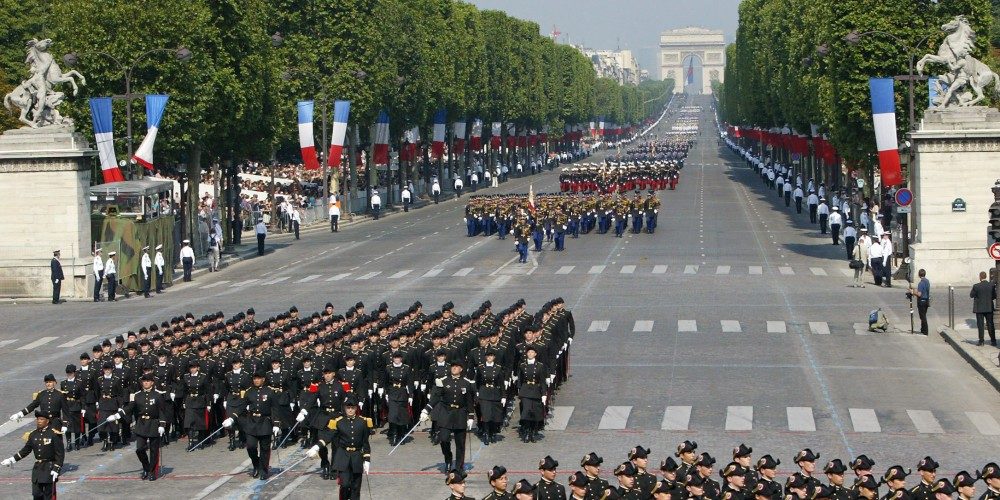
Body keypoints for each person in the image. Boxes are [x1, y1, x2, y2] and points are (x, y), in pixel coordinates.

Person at [309, 395, 371, 500]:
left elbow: (365, 443)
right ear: (344, 408)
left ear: (356, 408)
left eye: (352, 408)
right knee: (345, 484)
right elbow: (328, 436)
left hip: (356, 457)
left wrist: (367, 459)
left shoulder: (363, 422)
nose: (350, 410)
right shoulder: (338, 422)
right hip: (343, 457)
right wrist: (317, 446)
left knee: (356, 487)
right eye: (348, 408)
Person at [108, 373, 168, 481]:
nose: (146, 383)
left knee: (154, 450)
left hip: (153, 423)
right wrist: (118, 415)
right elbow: (130, 407)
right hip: (141, 424)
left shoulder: (158, 395)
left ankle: (152, 471)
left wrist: (162, 425)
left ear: (152, 383)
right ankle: (146, 467)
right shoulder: (137, 395)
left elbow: (162, 411)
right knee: (139, 449)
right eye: (144, 381)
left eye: (148, 381)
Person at [419, 359, 475, 473]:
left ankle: (459, 467)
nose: (454, 368)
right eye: (452, 366)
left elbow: (469, 401)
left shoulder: (466, 382)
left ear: (461, 369)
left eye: (456, 366)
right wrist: (426, 410)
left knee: (460, 444)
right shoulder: (443, 381)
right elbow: (435, 397)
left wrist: (470, 417)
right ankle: (448, 460)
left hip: (460, 414)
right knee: (444, 439)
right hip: (446, 413)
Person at [223, 369, 280, 480]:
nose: (256, 380)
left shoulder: (270, 391)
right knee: (251, 446)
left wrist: (276, 424)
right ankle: (256, 464)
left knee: (264, 448)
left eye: (258, 378)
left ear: (263, 379)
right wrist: (232, 418)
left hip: (265, 422)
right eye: (254, 379)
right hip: (252, 422)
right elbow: (241, 406)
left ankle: (264, 469)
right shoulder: (249, 391)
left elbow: (275, 408)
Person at [1, 411, 64, 500]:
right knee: (36, 494)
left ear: (47, 421)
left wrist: (57, 468)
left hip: (49, 468)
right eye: (38, 419)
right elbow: (26, 450)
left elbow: (60, 454)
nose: (39, 421)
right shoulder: (33, 434)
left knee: (48, 496)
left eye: (41, 419)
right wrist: (12, 460)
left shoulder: (53, 434)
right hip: (37, 469)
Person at [970, 271, 997, 346]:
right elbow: (994, 296)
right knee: (990, 324)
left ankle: (981, 341)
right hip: (989, 307)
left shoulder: (976, 286)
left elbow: (971, 295)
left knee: (980, 325)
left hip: (979, 309)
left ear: (980, 277)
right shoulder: (991, 285)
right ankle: (993, 341)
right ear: (986, 277)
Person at [909, 269, 930, 335]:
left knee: (922, 316)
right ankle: (922, 329)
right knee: (923, 315)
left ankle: (925, 331)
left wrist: (912, 292)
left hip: (922, 301)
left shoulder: (921, 283)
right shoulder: (927, 281)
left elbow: (919, 294)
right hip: (926, 300)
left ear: (919, 275)